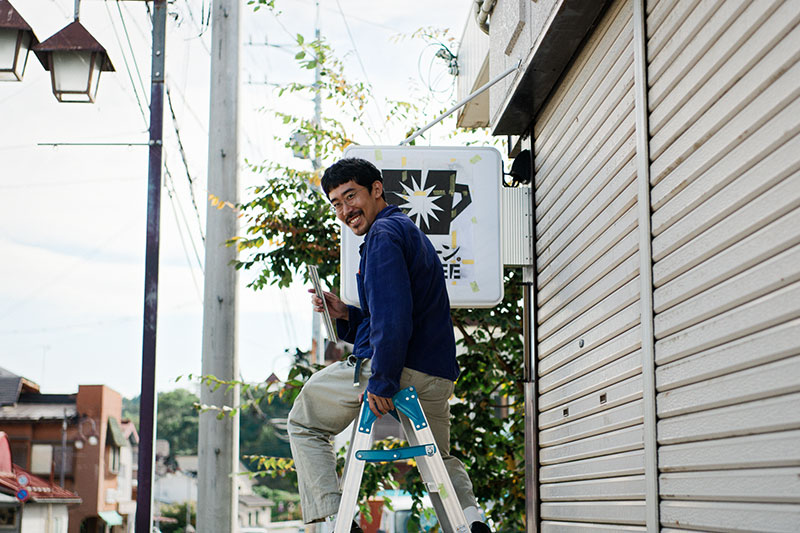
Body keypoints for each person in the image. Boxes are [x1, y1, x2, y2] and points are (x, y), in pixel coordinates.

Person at [287, 158, 492, 533]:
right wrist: (346, 315)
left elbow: (393, 319)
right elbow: (399, 313)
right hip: (435, 374)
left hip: (400, 368)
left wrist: (382, 381)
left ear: (376, 189)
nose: (345, 211)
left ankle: (337, 520)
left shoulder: (382, 236)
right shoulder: (406, 231)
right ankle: (471, 521)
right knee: (437, 457)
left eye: (351, 196)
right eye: (336, 203)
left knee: (305, 420)